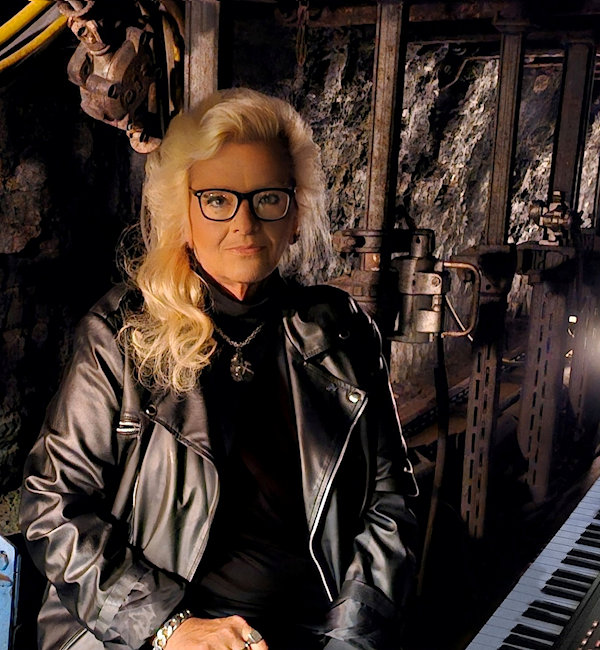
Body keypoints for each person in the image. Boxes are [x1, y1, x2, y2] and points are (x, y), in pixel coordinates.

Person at [20, 88, 418, 650]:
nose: (244, 223)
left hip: (310, 630)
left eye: (268, 198)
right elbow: (53, 507)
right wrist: (170, 627)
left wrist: (351, 636)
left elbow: (390, 504)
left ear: (296, 213)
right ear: (183, 213)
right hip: (145, 634)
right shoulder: (120, 335)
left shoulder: (342, 332)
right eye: (217, 199)